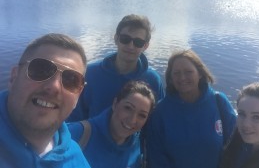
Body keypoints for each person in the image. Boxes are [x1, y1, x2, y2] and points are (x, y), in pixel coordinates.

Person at [0, 33, 90, 168]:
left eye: (71, 80)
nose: (54, 87)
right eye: (41, 70)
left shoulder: (76, 159)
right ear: (14, 77)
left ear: (78, 96)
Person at [146, 49, 236, 168]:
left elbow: (237, 145)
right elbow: (156, 157)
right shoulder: (160, 112)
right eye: (176, 73)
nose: (182, 77)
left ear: (200, 74)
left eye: (188, 72)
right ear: (171, 79)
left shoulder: (219, 102)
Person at [68, 14, 164, 122]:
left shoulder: (153, 80)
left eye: (138, 42)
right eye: (125, 39)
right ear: (116, 39)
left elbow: (157, 120)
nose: (131, 46)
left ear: (145, 46)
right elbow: (74, 115)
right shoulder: (89, 73)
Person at [68, 80, 155, 168]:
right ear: (115, 104)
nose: (132, 120)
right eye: (128, 108)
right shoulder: (76, 134)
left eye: (142, 115)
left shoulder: (135, 147)